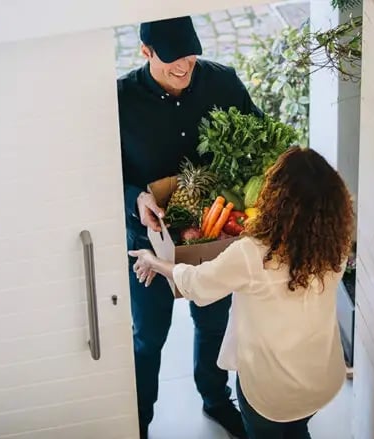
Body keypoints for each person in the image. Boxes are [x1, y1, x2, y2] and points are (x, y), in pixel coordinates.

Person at [129, 147, 354, 439]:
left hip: (271, 393)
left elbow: (198, 284)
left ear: (276, 199)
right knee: (298, 428)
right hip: (319, 379)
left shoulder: (252, 254)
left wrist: (153, 259)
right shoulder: (335, 241)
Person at [118, 15, 261, 439]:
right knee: (148, 337)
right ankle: (138, 420)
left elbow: (255, 138)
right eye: (171, 63)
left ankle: (216, 400)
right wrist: (136, 199)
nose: (183, 70)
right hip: (148, 240)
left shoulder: (223, 82)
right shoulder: (120, 100)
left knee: (214, 323)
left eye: (190, 60)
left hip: (214, 236)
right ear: (145, 53)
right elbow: (100, 172)